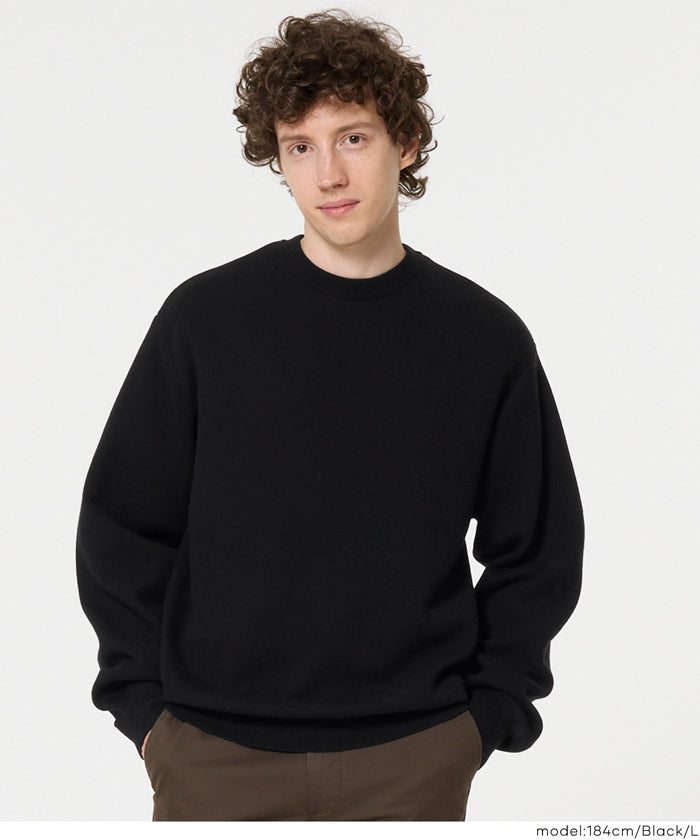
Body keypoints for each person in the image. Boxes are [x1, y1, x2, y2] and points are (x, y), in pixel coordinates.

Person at [76, 8, 585, 821]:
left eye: (352, 137)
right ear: (277, 159)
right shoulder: (206, 322)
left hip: (412, 759)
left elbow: (539, 551)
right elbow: (123, 526)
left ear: (405, 142)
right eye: (299, 147)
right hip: (212, 755)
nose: (329, 175)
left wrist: (483, 720)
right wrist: (149, 719)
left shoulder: (482, 339)